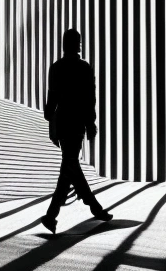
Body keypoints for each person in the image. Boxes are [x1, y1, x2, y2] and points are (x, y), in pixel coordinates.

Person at [40, 28, 112, 234]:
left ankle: (89, 209)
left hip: (63, 124)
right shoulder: (84, 68)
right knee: (70, 166)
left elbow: (50, 102)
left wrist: (50, 117)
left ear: (63, 44)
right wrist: (91, 123)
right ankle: (53, 215)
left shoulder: (56, 68)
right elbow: (90, 100)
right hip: (77, 124)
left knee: (70, 166)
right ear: (78, 44)